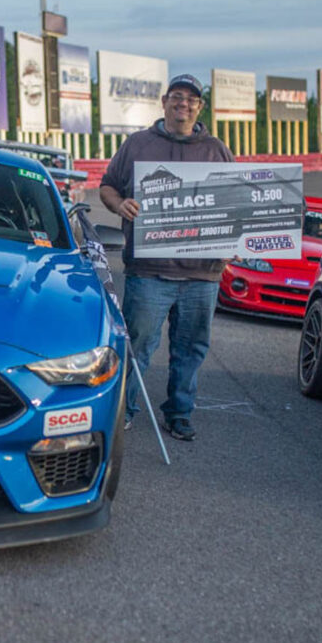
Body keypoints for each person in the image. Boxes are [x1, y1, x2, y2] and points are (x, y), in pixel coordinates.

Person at [99, 74, 235, 441]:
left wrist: (238, 239)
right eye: (177, 97)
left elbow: (236, 204)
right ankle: (123, 411)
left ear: (199, 107)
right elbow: (107, 186)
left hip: (203, 274)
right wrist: (119, 203)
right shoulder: (138, 144)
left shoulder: (217, 150)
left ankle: (179, 413)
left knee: (190, 350)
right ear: (164, 101)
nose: (183, 104)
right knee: (137, 347)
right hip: (149, 270)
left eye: (191, 99)